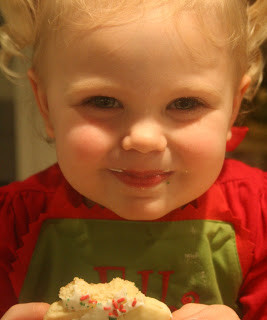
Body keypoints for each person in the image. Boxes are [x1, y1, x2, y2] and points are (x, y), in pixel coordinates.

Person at [0, 0, 266, 319]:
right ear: (46, 105)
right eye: (103, 101)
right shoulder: (10, 225)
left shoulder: (259, 215)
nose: (144, 140)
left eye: (185, 103)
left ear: (233, 108)